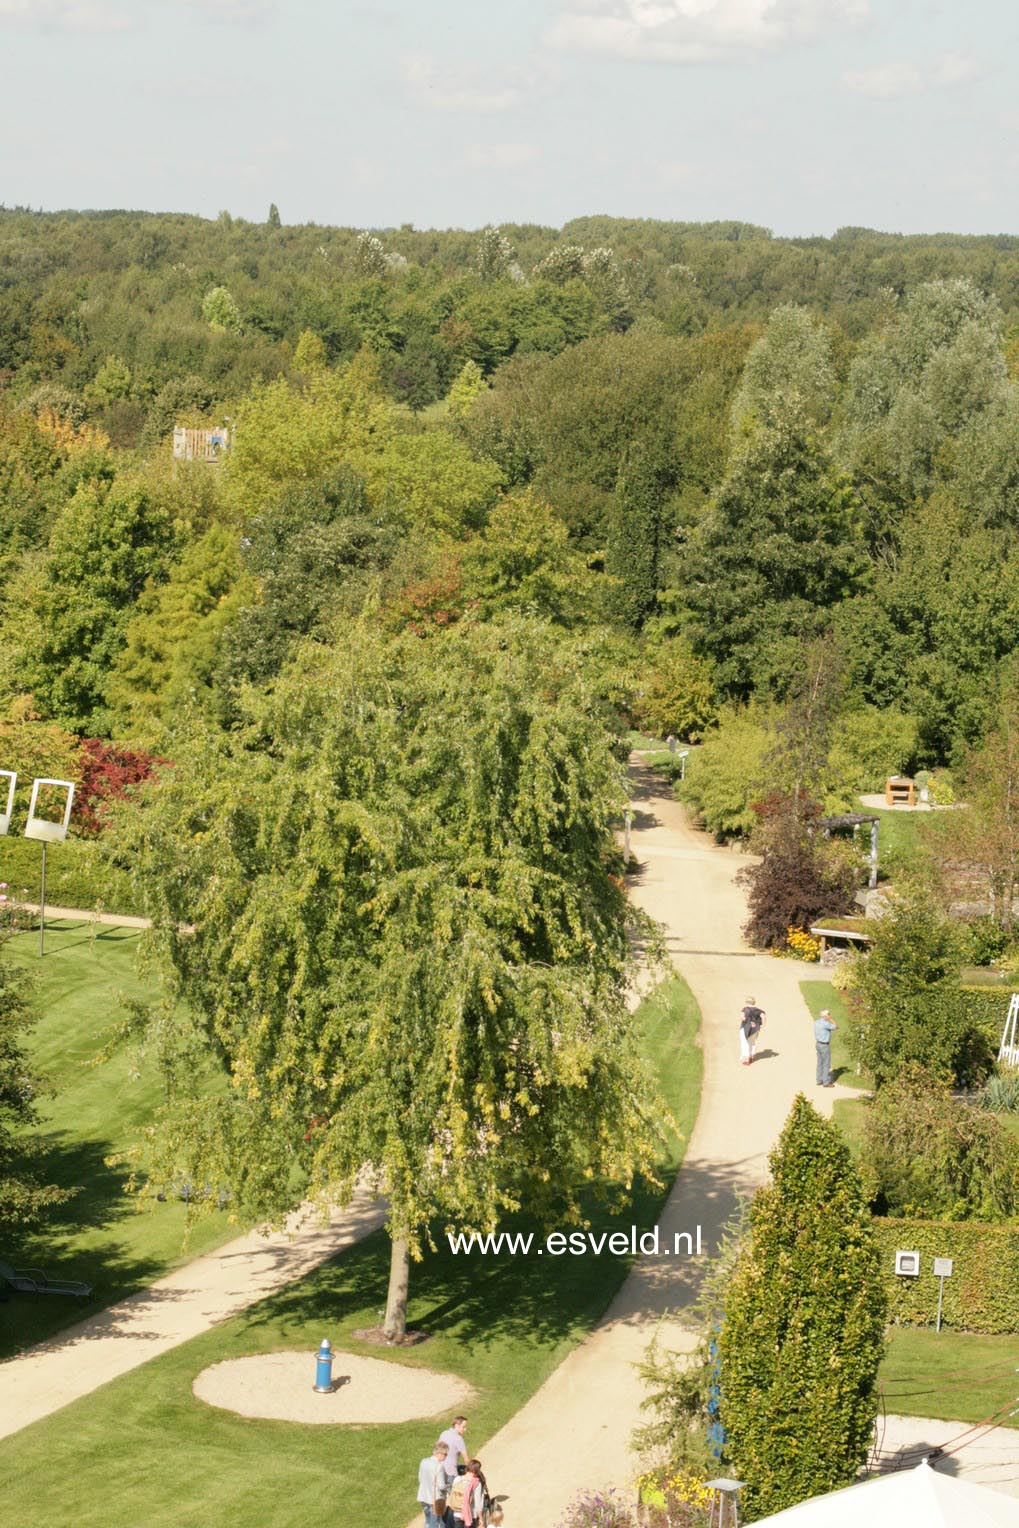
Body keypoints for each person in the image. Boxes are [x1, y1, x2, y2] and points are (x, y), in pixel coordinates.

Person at [418, 1440, 452, 1527]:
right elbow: (441, 1486)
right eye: (445, 1454)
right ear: (440, 1453)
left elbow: (420, 1478)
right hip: (435, 1499)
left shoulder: (423, 1461)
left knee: (428, 1521)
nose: (446, 1457)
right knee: (435, 1522)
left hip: (423, 1496)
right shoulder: (440, 1466)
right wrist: (448, 1485)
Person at [449, 1458, 488, 1527]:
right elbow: (478, 1503)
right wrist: (481, 1518)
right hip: (470, 1515)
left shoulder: (457, 1479)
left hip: (457, 1513)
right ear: (477, 1470)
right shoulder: (476, 1483)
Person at [438, 1415, 469, 1488]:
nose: (465, 1429)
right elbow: (466, 1459)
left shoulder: (444, 1433)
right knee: (454, 1496)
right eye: (463, 1427)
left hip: (439, 1469)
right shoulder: (459, 1438)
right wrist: (471, 1471)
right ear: (456, 1425)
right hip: (451, 1473)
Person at [815, 1007, 837, 1087]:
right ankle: (826, 1082)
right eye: (828, 1014)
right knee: (826, 1063)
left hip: (818, 1044)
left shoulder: (817, 1022)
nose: (829, 1015)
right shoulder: (826, 1023)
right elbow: (836, 1027)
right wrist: (830, 1019)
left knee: (819, 1062)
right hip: (824, 1045)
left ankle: (819, 1080)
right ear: (825, 1016)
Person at [739, 997, 765, 1065]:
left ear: (747, 1002)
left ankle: (747, 1059)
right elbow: (763, 1017)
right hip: (755, 1028)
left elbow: (742, 1017)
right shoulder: (759, 1010)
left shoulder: (745, 1009)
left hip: (746, 1027)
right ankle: (751, 1056)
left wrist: (747, 1021)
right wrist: (762, 1025)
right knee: (752, 1042)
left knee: (745, 1042)